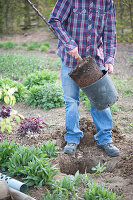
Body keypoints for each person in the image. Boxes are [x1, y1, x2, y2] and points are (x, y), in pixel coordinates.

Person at [48, 0, 119, 156]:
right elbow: (54, 20)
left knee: (100, 101)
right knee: (71, 100)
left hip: (95, 60)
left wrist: (109, 59)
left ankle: (105, 139)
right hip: (70, 61)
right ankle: (72, 138)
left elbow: (110, 32)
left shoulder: (107, 2)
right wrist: (68, 42)